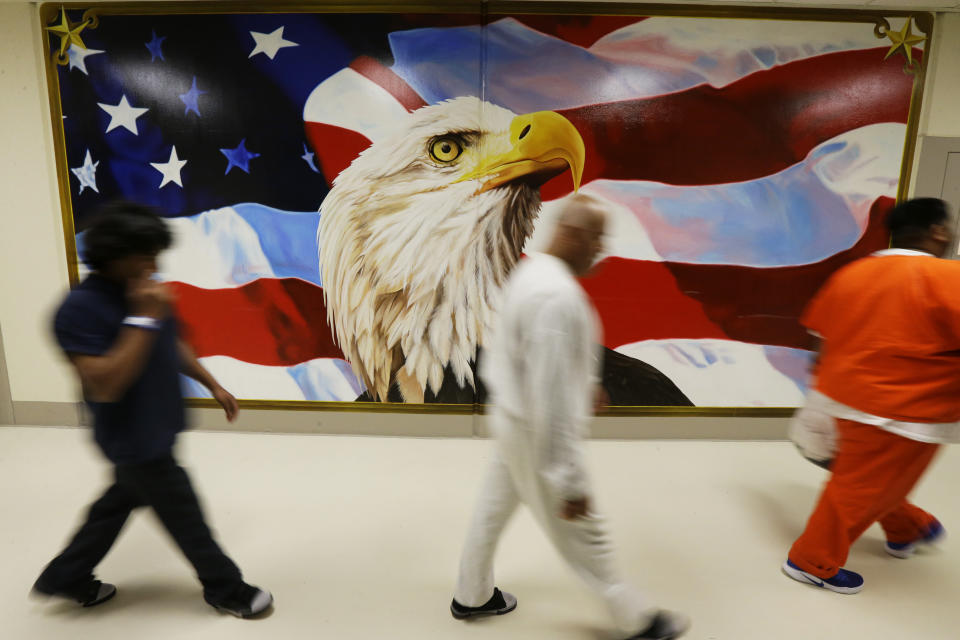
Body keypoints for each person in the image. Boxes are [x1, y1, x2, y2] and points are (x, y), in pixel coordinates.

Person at [450, 193, 689, 640]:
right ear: (574, 234)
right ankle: (636, 618)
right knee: (584, 533)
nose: (602, 249)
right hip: (537, 433)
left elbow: (534, 363)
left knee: (491, 510)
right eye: (597, 238)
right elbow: (552, 401)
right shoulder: (557, 299)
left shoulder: (532, 273)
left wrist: (583, 386)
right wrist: (569, 481)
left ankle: (472, 594)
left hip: (512, 416)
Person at [31, 201, 272, 618]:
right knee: (185, 516)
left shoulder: (143, 290)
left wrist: (211, 382)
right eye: (145, 254)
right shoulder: (77, 311)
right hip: (133, 438)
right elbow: (105, 384)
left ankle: (65, 577)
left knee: (116, 504)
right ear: (114, 255)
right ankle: (226, 588)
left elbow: (169, 341)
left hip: (157, 425)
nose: (153, 262)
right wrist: (142, 318)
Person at [783, 197, 960, 594]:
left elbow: (819, 339)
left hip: (844, 397)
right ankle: (812, 560)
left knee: (879, 478)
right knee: (860, 486)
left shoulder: (853, 274)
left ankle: (906, 528)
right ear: (938, 230)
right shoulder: (949, 279)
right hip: (903, 408)